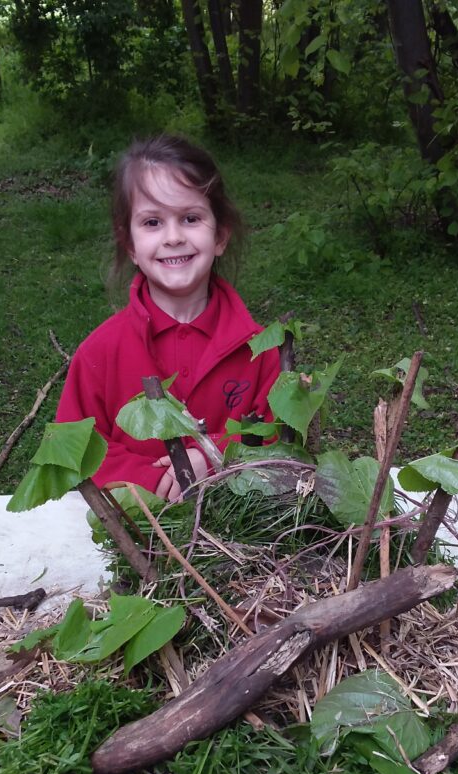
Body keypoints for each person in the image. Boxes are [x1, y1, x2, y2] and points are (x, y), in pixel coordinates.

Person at [56, 134, 281, 502]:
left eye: (190, 218)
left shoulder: (260, 350)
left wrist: (214, 456)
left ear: (220, 235)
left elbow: (280, 439)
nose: (173, 237)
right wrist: (151, 482)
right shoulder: (99, 353)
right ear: (129, 244)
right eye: (152, 222)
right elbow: (73, 448)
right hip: (133, 533)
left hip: (242, 540)